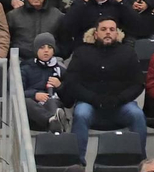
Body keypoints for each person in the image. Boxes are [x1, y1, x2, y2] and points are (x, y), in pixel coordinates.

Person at [61, 16, 146, 152]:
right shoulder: (82, 52)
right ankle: (78, 162)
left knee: (137, 114)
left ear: (117, 34)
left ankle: (140, 160)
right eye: (103, 29)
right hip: (90, 104)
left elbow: (138, 83)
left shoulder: (128, 52)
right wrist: (93, 98)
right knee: (81, 114)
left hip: (120, 105)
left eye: (112, 29)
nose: (108, 32)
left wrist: (120, 99)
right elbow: (72, 83)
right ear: (95, 33)